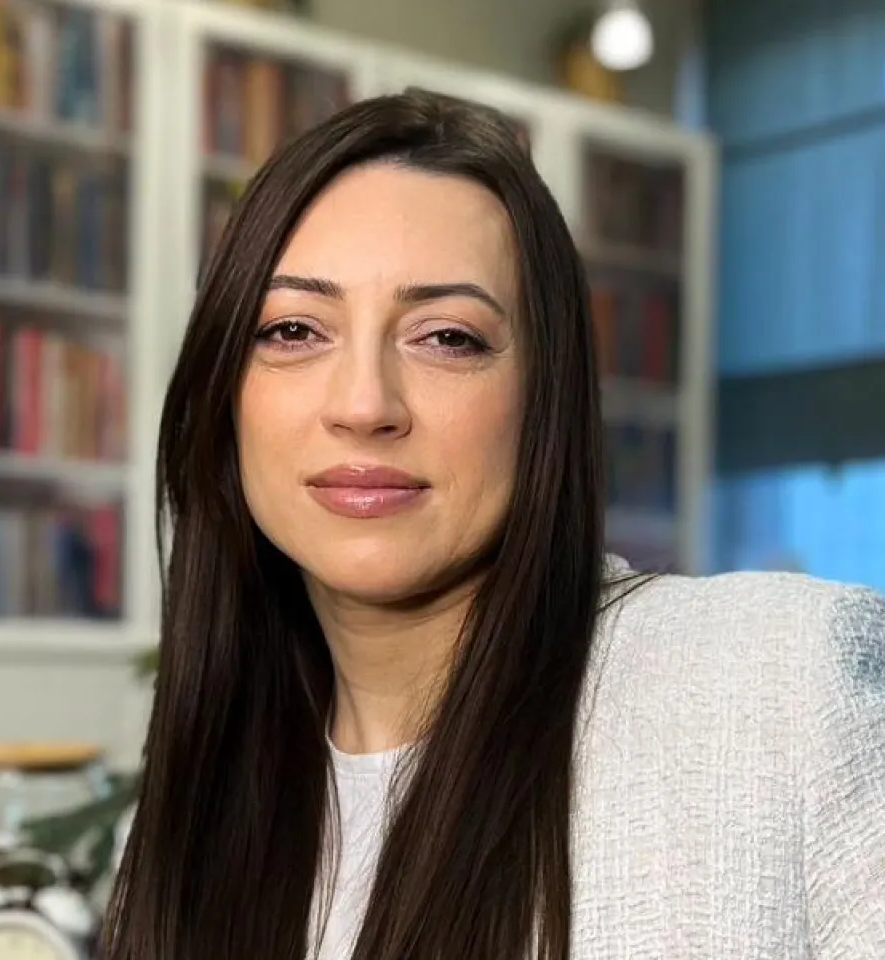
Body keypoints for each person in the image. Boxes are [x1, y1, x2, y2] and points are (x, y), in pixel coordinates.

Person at [103, 89, 885, 959]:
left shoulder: (781, 685)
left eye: (447, 337)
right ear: (223, 392)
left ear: (544, 397)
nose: (363, 405)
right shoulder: (189, 827)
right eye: (292, 330)